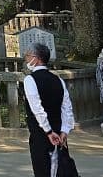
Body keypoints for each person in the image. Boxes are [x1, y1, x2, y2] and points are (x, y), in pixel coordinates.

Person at [23, 43, 75, 177]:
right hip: (59, 131)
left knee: (43, 168)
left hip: (42, 132)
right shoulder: (58, 80)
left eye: (28, 56)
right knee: (61, 168)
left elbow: (37, 108)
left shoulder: (30, 80)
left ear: (37, 58)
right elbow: (67, 108)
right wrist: (65, 130)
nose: (26, 59)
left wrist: (48, 131)